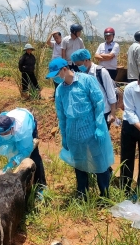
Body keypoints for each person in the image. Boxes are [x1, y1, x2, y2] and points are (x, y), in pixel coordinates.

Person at [45, 58, 114, 198]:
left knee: (99, 161)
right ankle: (82, 194)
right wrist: (64, 136)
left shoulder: (86, 80)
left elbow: (98, 104)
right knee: (79, 163)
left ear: (64, 69)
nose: (56, 79)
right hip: (73, 132)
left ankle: (105, 194)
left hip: (91, 129)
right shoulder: (60, 90)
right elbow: (61, 115)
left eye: (57, 74)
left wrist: (100, 126)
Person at [0, 108, 47, 188]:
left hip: (28, 121)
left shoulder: (24, 131)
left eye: (5, 133)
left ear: (12, 128)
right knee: (10, 149)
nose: (3, 136)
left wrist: (12, 163)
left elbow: (25, 151)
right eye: (1, 134)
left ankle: (41, 185)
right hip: (13, 123)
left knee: (34, 155)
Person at [71, 49, 117, 128]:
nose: (78, 67)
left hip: (103, 112)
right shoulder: (81, 75)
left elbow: (111, 93)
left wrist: (113, 113)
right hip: (89, 112)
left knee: (101, 136)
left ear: (86, 60)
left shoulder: (101, 72)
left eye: (78, 64)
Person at [46, 31, 62, 98]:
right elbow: (47, 42)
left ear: (60, 37)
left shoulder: (64, 43)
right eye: (55, 38)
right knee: (55, 79)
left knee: (60, 80)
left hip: (60, 65)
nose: (56, 39)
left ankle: (59, 95)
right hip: (54, 64)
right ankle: (55, 94)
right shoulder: (54, 44)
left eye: (57, 38)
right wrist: (51, 34)